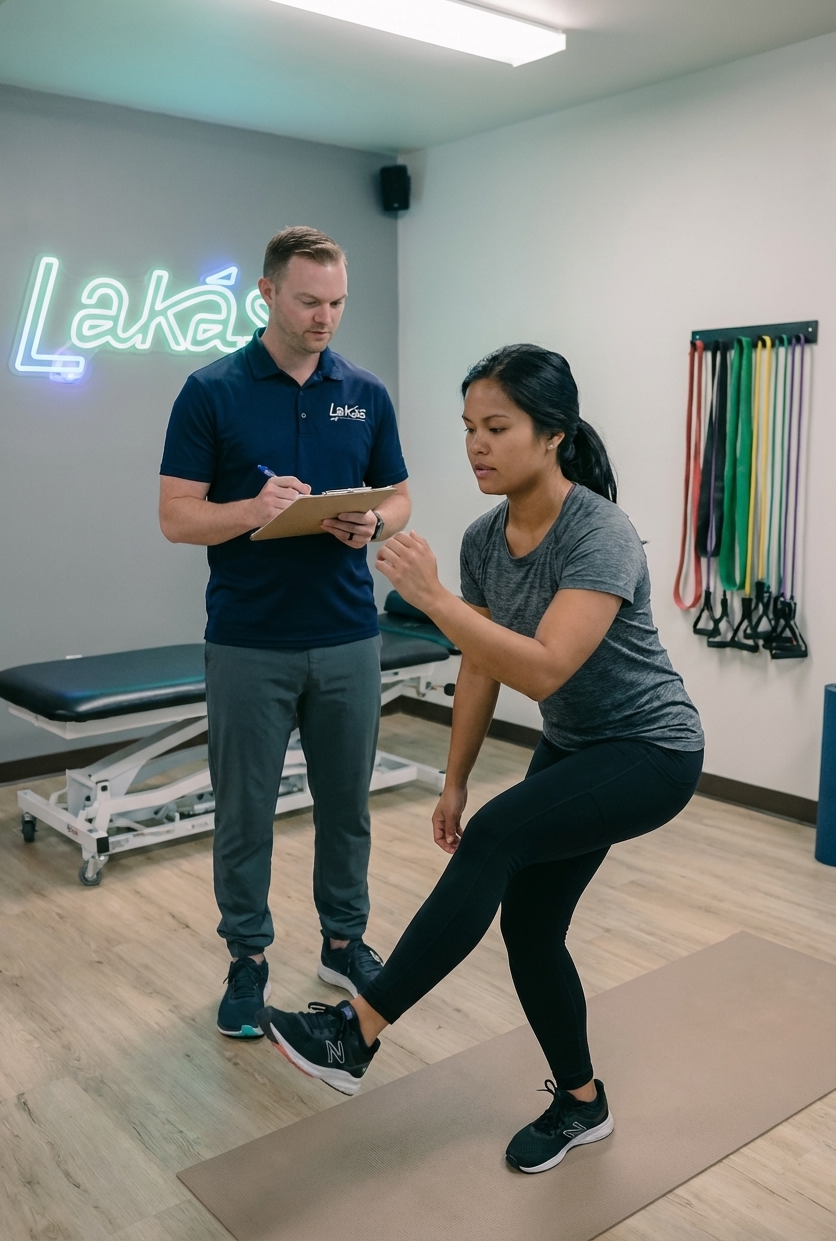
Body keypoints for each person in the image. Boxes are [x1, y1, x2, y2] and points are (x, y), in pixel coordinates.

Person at [258, 343, 704, 1173]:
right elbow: (479, 665)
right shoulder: (482, 537)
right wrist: (453, 779)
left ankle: (354, 1032)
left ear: (552, 434)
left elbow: (541, 665)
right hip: (574, 746)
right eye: (468, 427)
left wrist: (427, 598)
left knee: (500, 842)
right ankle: (581, 1102)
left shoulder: (599, 533)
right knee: (531, 929)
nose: (476, 445)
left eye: (497, 427)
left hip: (650, 750)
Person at [159, 226, 411, 1038]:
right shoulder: (211, 390)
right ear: (266, 294)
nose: (324, 317)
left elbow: (401, 495)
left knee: (347, 807)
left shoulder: (364, 392)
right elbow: (175, 518)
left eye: (336, 302)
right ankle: (248, 960)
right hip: (247, 642)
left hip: (346, 638)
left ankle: (344, 941)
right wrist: (250, 511)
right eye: (308, 301)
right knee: (245, 814)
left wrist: (373, 522)